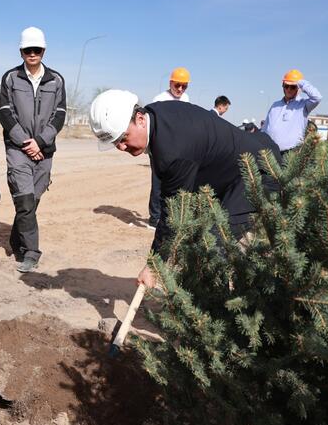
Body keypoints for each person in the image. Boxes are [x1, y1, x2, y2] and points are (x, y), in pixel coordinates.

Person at [89, 89, 281, 289]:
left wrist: (154, 265)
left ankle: (214, 311)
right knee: (198, 238)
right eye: (115, 143)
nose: (121, 147)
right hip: (228, 175)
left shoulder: (173, 149)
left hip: (256, 173)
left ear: (139, 119)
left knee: (212, 242)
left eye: (123, 137)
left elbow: (174, 212)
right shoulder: (154, 115)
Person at [0, 27, 66, 272]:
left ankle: (17, 241)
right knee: (24, 201)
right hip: (18, 149)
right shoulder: (11, 77)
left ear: (44, 50)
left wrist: (41, 142)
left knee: (31, 203)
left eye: (37, 49)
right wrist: (27, 143)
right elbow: (5, 113)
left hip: (44, 150)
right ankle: (31, 252)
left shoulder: (56, 79)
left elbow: (60, 115)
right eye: (28, 49)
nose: (32, 53)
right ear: (21, 51)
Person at [147, 67, 191, 228]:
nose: (180, 89)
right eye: (177, 85)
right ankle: (154, 219)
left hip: (178, 148)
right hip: (160, 147)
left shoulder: (186, 99)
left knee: (175, 183)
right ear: (171, 83)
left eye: (184, 86)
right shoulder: (159, 99)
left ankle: (169, 217)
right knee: (158, 184)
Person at [262, 69, 322, 156]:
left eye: (293, 87)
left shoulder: (304, 105)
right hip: (271, 153)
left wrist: (301, 82)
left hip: (291, 154)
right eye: (286, 86)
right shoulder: (275, 105)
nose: (289, 89)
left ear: (299, 88)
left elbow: (317, 97)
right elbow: (265, 128)